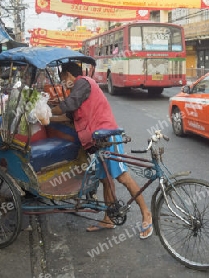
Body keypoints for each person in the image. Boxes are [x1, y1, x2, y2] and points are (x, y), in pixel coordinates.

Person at [50, 62, 153, 239]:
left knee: (123, 177)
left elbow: (68, 105)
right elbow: (68, 115)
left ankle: (146, 214)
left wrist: (48, 110)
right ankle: (108, 219)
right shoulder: (79, 89)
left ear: (68, 75)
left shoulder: (83, 82)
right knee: (106, 181)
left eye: (62, 79)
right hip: (98, 141)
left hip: (108, 137)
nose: (62, 83)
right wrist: (48, 118)